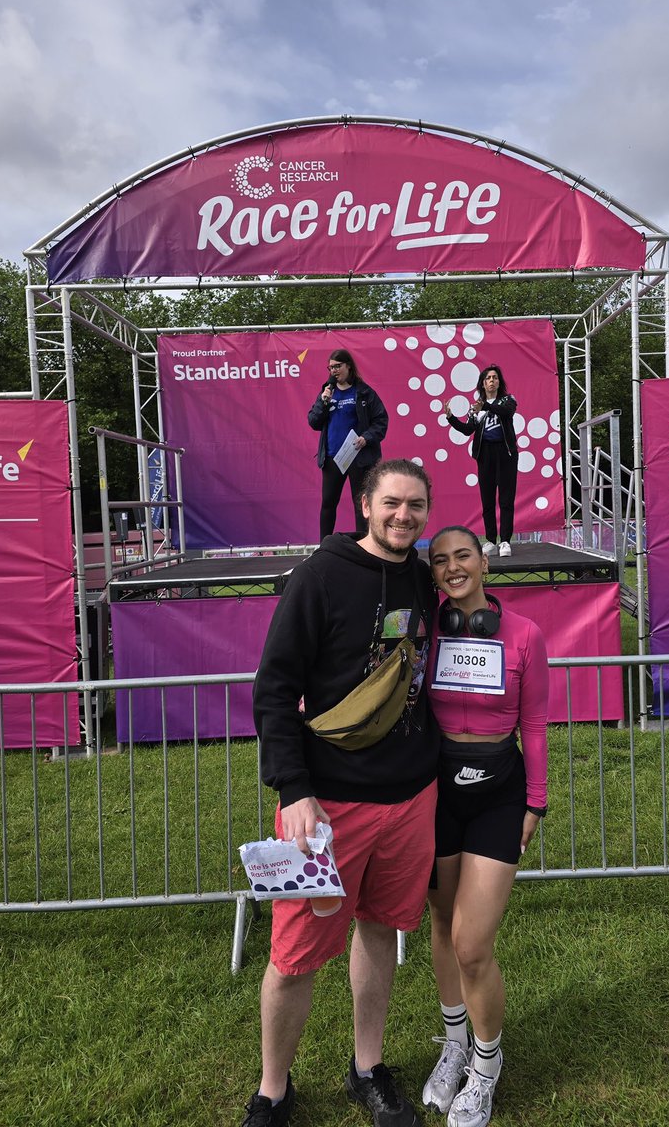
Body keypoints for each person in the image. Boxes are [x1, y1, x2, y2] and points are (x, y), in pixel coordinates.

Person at [244, 458, 440, 1127]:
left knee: (380, 929)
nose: (403, 515)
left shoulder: (423, 577)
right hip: (325, 808)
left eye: (415, 505)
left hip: (410, 799)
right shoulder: (319, 577)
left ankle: (367, 1068)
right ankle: (273, 1091)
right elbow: (274, 689)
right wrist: (293, 789)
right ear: (364, 505)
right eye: (391, 503)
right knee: (293, 955)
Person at [421, 525, 549, 1127]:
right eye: (440, 560)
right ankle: (454, 1045)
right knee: (442, 923)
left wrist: (535, 803)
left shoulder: (524, 635)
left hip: (499, 792)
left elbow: (536, 724)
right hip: (437, 793)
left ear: (484, 563)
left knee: (472, 944)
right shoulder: (423, 632)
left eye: (463, 556)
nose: (453, 567)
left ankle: (486, 1065)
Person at [308, 348, 389, 540]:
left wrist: (366, 437)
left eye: (338, 366)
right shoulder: (327, 392)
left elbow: (381, 420)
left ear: (349, 366)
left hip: (358, 457)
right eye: (330, 367)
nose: (334, 371)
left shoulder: (363, 392)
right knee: (328, 503)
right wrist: (323, 402)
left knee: (361, 504)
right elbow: (313, 422)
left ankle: (363, 545)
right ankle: (324, 545)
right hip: (332, 457)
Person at [441, 365, 518, 557]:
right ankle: (491, 540)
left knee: (506, 499)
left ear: (499, 382)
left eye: (495, 378)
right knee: (487, 500)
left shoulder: (508, 400)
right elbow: (468, 430)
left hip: (506, 453)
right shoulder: (476, 407)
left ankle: (505, 541)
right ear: (482, 384)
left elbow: (506, 412)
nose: (492, 381)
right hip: (485, 454)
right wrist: (451, 418)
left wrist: (485, 407)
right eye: (488, 378)